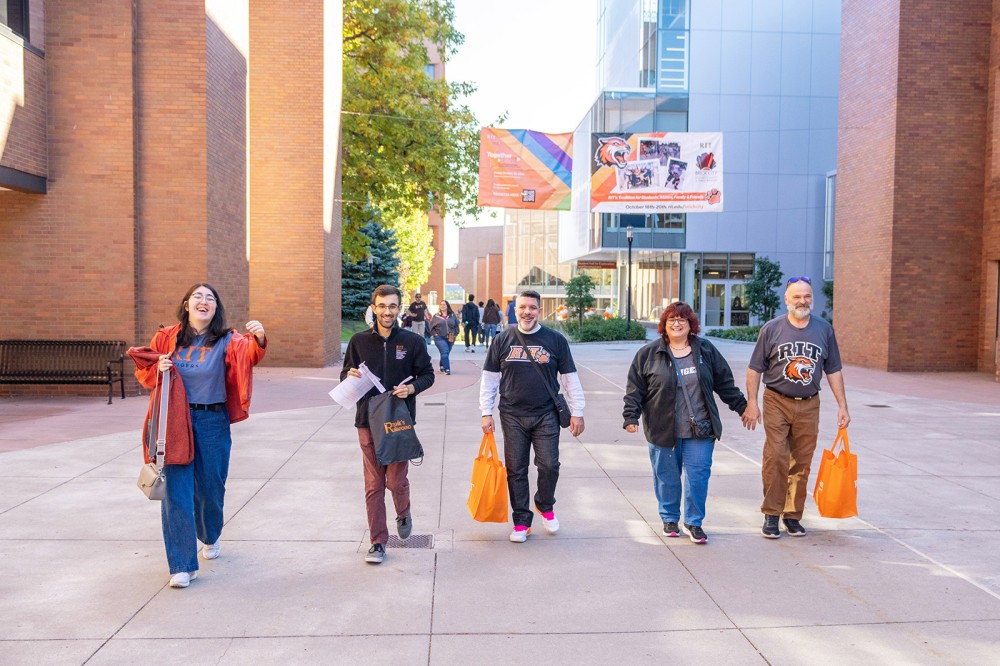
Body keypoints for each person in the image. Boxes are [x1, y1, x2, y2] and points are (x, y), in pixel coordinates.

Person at [129, 283, 267, 589]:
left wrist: (258, 338)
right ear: (187, 304)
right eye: (198, 297)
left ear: (216, 308)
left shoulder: (228, 339)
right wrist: (160, 367)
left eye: (210, 298)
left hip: (212, 419)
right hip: (174, 418)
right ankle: (181, 565)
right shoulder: (166, 337)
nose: (204, 302)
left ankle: (210, 534)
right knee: (176, 491)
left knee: (210, 488)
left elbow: (249, 355)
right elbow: (147, 374)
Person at [623, 302, 747, 544]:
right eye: (672, 320)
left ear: (691, 325)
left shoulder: (705, 351)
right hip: (662, 428)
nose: (677, 324)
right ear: (664, 325)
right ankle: (669, 518)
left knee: (698, 477)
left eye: (682, 319)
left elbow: (725, 383)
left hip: (700, 428)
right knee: (666, 476)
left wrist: (743, 407)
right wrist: (630, 416)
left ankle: (694, 522)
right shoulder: (648, 354)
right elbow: (635, 389)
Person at [742, 276, 850, 539]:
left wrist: (842, 406)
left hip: (809, 404)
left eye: (807, 296)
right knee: (776, 456)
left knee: (801, 462)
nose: (803, 301)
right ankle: (771, 514)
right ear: (786, 299)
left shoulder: (824, 329)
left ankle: (792, 515)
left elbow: (833, 369)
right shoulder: (772, 329)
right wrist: (752, 403)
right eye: (797, 296)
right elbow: (755, 369)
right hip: (777, 399)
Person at [479, 289, 585, 542]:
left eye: (532, 308)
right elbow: (489, 380)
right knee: (516, 469)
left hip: (546, 414)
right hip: (512, 415)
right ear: (515, 310)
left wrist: (577, 411)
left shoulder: (555, 340)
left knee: (549, 464)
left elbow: (570, 378)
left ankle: (545, 505)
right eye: (523, 307)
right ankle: (521, 522)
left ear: (539, 309)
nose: (527, 312)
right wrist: (486, 412)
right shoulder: (502, 340)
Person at [342, 285, 435, 564]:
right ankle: (378, 542)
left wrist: (412, 389)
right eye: (381, 306)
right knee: (373, 484)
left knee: (395, 481)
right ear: (373, 308)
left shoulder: (413, 342)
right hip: (366, 421)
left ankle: (403, 511)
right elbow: (343, 376)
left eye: (392, 306)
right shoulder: (358, 342)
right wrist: (350, 375)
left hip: (397, 421)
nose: (387, 311)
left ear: (399, 308)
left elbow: (428, 375)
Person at [429, 300, 456, 375]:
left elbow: (456, 325)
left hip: (450, 337)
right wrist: (435, 334)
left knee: (446, 353)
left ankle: (442, 365)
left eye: (444, 304)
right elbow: (431, 327)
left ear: (447, 306)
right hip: (439, 338)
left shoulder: (452, 315)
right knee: (445, 351)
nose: (442, 306)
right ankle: (447, 369)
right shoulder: (436, 316)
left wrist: (455, 333)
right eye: (441, 304)